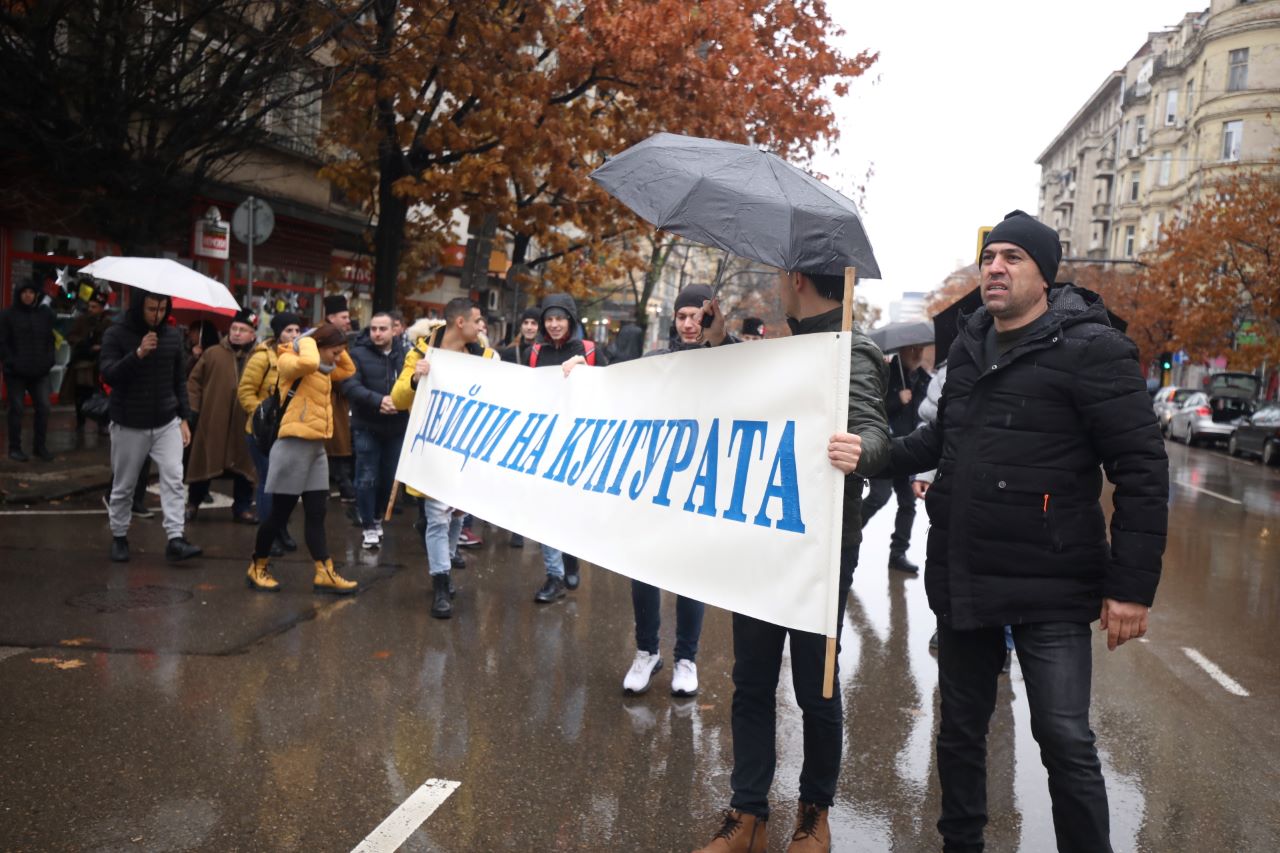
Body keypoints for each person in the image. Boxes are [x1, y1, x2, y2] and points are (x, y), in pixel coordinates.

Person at [890, 210, 1168, 853]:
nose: (994, 266)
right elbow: (941, 438)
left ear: (1044, 274)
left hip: (1052, 582)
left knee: (1065, 740)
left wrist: (1131, 589)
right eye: (990, 256)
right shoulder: (968, 343)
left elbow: (1142, 471)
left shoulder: (1093, 348)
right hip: (965, 572)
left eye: (1012, 257)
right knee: (959, 732)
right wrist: (872, 453)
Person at [694, 270, 889, 853]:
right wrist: (714, 346)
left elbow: (875, 429)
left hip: (820, 548)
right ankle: (747, 812)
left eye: (781, 276)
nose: (777, 286)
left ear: (798, 278)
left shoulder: (854, 349)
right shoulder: (790, 344)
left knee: (815, 686)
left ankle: (813, 813)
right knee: (751, 680)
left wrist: (863, 450)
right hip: (765, 540)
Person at [620, 284, 733, 698]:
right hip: (655, 481)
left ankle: (687, 658)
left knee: (690, 573)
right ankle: (647, 652)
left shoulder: (727, 359)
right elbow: (617, 396)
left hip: (701, 482)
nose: (690, 324)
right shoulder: (655, 361)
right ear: (673, 319)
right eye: (683, 316)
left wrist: (718, 337)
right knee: (645, 569)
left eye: (698, 316)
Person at [391, 298, 498, 619]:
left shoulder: (486, 358)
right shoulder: (422, 355)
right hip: (433, 450)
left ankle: (445, 567)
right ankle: (440, 584)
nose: (482, 327)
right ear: (460, 323)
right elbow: (398, 399)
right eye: (477, 320)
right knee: (437, 516)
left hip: (467, 452)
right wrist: (414, 378)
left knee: (455, 515)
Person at [246, 323, 360, 594]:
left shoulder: (325, 369)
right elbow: (308, 361)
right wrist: (306, 342)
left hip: (316, 447)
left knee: (317, 513)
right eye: (334, 351)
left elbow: (349, 370)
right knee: (280, 514)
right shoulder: (289, 360)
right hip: (292, 446)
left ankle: (324, 571)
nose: (337, 357)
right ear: (318, 347)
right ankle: (257, 566)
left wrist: (336, 344)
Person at [99, 290, 202, 563]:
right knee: (124, 485)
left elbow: (179, 379)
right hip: (129, 422)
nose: (156, 315)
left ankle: (176, 539)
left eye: (161, 308)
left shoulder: (170, 335)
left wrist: (184, 417)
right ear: (138, 306)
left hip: (166, 420)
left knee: (173, 477)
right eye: (151, 309)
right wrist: (138, 353)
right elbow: (108, 373)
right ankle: (119, 536)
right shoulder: (116, 332)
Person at [522, 292, 610, 603]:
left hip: (579, 442)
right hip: (546, 441)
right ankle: (554, 575)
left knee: (571, 508)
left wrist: (585, 364)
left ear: (570, 321)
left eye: (560, 318)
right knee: (546, 509)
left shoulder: (589, 349)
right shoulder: (535, 352)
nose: (555, 324)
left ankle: (571, 556)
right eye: (549, 319)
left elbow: (610, 385)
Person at [860, 343, 931, 574]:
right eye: (913, 349)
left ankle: (898, 553)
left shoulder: (924, 380)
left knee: (908, 502)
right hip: (886, 446)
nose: (918, 353)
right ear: (902, 350)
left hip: (911, 448)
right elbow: (872, 410)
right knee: (879, 496)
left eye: (920, 349)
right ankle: (846, 533)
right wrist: (896, 401)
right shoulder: (886, 374)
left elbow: (926, 415)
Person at [342, 311, 409, 550]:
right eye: (374, 329)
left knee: (388, 478)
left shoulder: (406, 354)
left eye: (383, 329)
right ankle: (368, 524)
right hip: (367, 425)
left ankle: (378, 516)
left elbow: (413, 383)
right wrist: (378, 401)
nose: (377, 333)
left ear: (394, 330)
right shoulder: (357, 354)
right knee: (366, 476)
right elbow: (350, 385)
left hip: (397, 426)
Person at [185, 309, 260, 523]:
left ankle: (242, 508)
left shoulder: (259, 357)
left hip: (245, 421)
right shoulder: (213, 353)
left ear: (252, 334)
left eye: (243, 330)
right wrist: (194, 409)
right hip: (213, 418)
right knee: (205, 461)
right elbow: (194, 382)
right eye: (234, 328)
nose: (237, 333)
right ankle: (193, 503)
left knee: (244, 466)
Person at [238, 311, 302, 556]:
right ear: (278, 333)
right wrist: (263, 416)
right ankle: (268, 535)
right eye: (289, 330)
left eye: (297, 330)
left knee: (287, 485)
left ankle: (281, 528)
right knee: (268, 483)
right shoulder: (263, 357)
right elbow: (245, 391)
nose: (294, 335)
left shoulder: (300, 358)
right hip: (262, 433)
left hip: (289, 432)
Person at [0, 276, 56, 461]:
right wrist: (11, 361)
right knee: (16, 408)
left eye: (31, 292)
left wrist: (49, 360)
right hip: (16, 372)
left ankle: (40, 446)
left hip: (39, 370)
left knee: (44, 407)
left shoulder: (44, 315)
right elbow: (3, 342)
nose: (28, 296)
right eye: (24, 292)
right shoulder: (8, 315)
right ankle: (14, 448)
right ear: (18, 294)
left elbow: (50, 339)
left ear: (36, 294)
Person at [63, 290, 112, 436]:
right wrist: (84, 344)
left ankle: (102, 424)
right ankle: (80, 423)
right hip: (83, 364)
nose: (91, 309)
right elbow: (71, 336)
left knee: (100, 396)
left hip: (100, 365)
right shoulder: (81, 320)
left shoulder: (108, 323)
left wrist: (101, 346)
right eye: (90, 306)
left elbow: (112, 341)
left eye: (94, 307)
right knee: (81, 395)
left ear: (102, 308)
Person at [322, 294, 356, 503]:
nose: (347, 320)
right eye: (344, 316)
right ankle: (336, 485)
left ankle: (341, 484)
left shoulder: (339, 335)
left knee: (337, 444)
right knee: (327, 445)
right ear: (331, 317)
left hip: (338, 399)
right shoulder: (324, 336)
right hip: (327, 396)